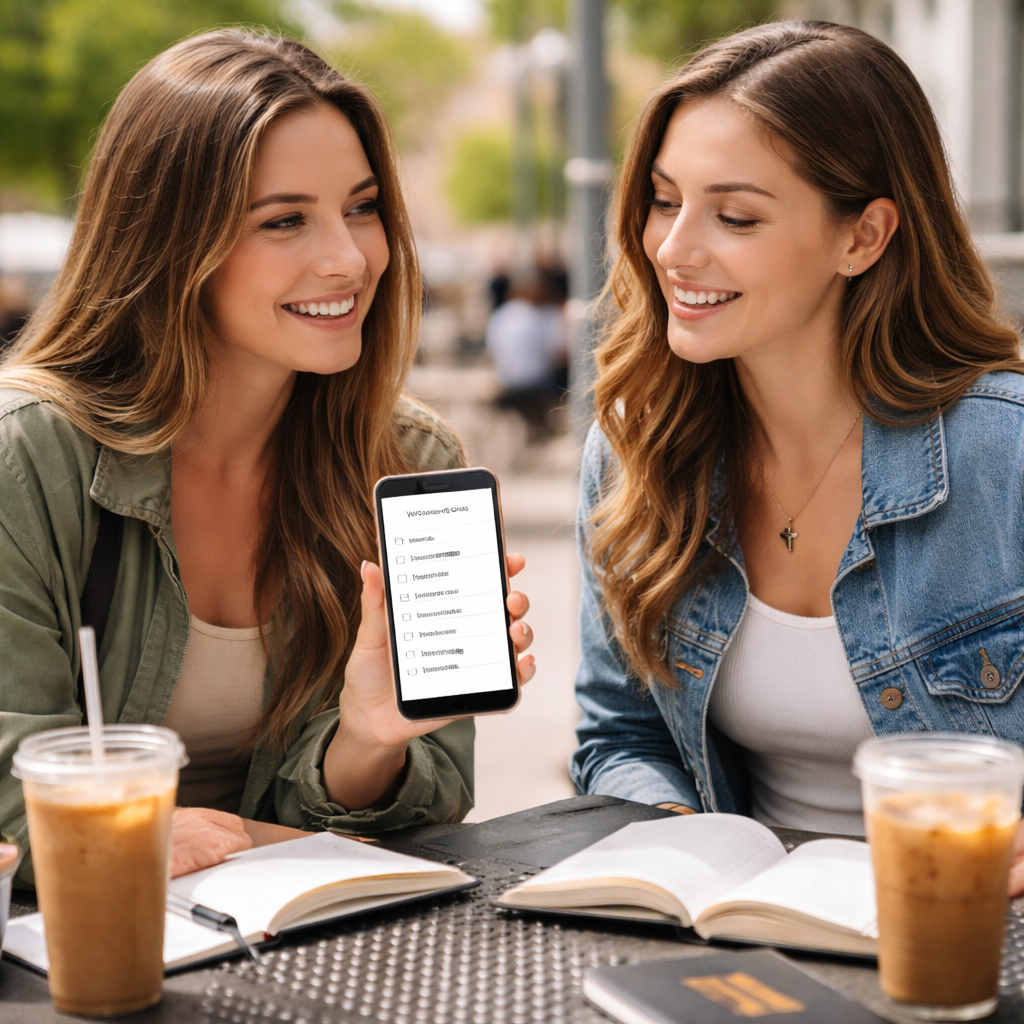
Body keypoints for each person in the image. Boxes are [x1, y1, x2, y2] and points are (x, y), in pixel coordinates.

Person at [0, 30, 535, 888]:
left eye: (362, 208)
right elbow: (15, 805)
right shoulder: (24, 456)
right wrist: (254, 843)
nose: (350, 258)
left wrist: (365, 741)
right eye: (285, 220)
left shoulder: (410, 458)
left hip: (309, 945)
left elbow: (432, 808)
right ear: (169, 242)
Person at [570, 20, 1024, 893]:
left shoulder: (1003, 454)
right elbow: (621, 737)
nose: (673, 248)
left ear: (864, 237)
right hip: (745, 930)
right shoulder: (636, 449)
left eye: (734, 215)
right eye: (665, 200)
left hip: (970, 933)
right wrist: (671, 843)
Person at [485, 271, 567, 438]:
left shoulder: (501, 315)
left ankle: (537, 430)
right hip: (537, 385)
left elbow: (491, 352)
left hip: (508, 384)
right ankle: (546, 432)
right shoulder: (539, 317)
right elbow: (556, 353)